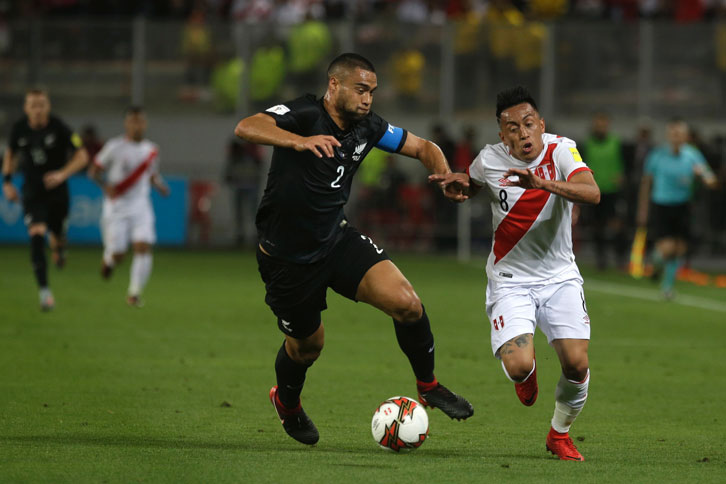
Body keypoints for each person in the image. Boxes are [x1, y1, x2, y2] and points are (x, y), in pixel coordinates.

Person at [234, 52, 474, 446]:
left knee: (408, 304)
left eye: (372, 92)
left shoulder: (370, 127)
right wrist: (299, 141)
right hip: (287, 259)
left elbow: (422, 146)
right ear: (334, 86)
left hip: (336, 240)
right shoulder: (305, 114)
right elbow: (247, 126)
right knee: (308, 347)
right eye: (360, 90)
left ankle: (428, 385)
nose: (367, 99)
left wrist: (444, 172)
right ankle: (287, 403)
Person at [430, 86, 600, 461]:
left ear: (541, 124)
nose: (522, 133)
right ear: (501, 133)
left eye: (528, 124)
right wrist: (458, 188)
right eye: (512, 127)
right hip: (511, 280)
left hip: (559, 278)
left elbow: (591, 192)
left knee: (577, 363)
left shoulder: (561, 150)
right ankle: (526, 375)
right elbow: (471, 185)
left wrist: (543, 183)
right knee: (521, 365)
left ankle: (559, 434)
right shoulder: (489, 159)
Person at [1, 88, 89, 311]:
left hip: (58, 192)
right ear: (26, 108)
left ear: (48, 106)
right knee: (37, 234)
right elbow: (10, 154)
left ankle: (59, 246)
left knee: (57, 235)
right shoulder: (19, 129)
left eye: (41, 104)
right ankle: (45, 293)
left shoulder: (59, 127)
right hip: (32, 192)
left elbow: (82, 155)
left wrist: (62, 174)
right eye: (33, 105)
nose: (38, 110)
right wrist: (8, 182)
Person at [88, 106, 170, 307]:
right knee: (119, 255)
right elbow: (93, 171)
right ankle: (109, 259)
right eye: (133, 121)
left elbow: (151, 174)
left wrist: (160, 186)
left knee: (143, 246)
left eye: (140, 121)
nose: (137, 125)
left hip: (141, 205)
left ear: (145, 124)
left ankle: (134, 293)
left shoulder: (151, 149)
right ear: (127, 124)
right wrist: (105, 186)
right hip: (117, 207)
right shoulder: (114, 147)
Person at [635, 118, 718, 299]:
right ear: (668, 135)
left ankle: (667, 287)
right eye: (673, 133)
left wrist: (701, 175)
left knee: (679, 248)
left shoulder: (692, 155)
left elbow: (711, 179)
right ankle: (656, 263)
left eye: (680, 133)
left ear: (686, 136)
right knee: (667, 247)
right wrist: (643, 208)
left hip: (683, 205)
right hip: (662, 204)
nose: (676, 137)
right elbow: (646, 183)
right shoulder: (657, 155)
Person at [581, 112, 627, 270]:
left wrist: (620, 177)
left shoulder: (615, 142)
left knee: (617, 225)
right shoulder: (587, 144)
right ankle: (601, 260)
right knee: (597, 226)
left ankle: (620, 258)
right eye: (598, 124)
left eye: (603, 124)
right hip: (594, 191)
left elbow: (623, 163)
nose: (601, 127)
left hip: (613, 191)